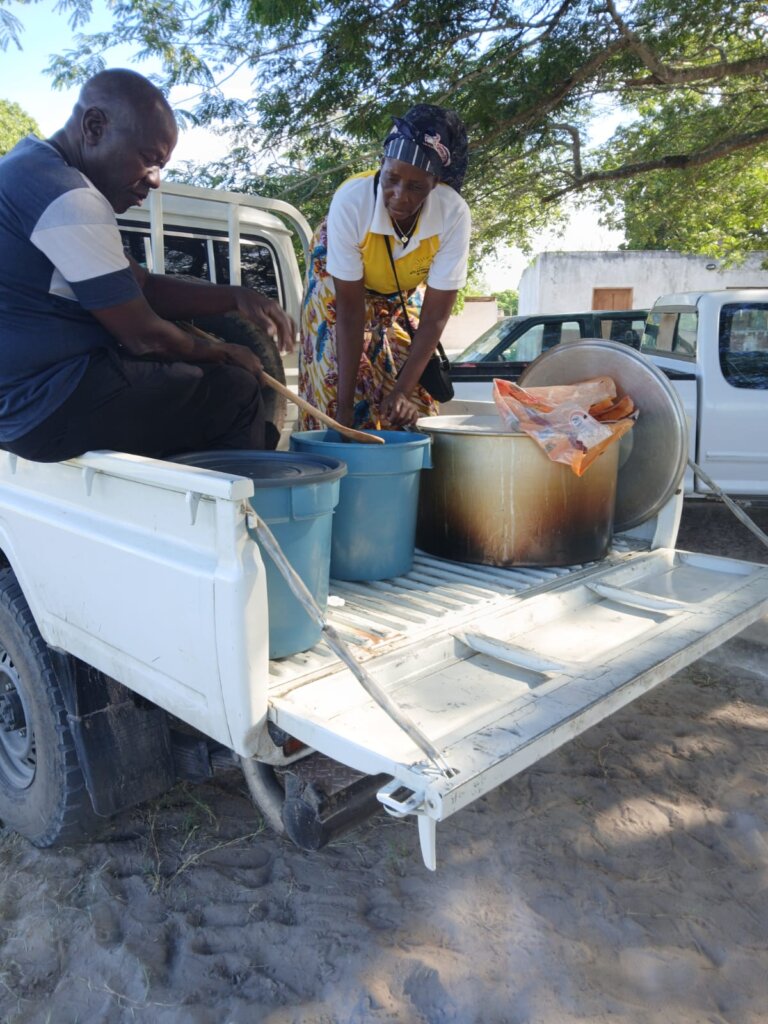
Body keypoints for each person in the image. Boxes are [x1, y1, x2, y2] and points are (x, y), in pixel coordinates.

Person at [0, 68, 295, 463]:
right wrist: (222, 351)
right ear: (94, 127)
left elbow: (143, 286)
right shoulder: (68, 196)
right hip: (42, 403)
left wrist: (235, 297)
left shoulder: (27, 167)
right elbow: (144, 337)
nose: (155, 180)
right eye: (148, 159)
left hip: (27, 402)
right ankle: (239, 503)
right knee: (237, 392)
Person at [298, 104, 470, 430]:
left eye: (416, 187)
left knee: (414, 405)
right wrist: (344, 408)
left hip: (397, 293)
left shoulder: (453, 214)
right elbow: (349, 313)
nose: (400, 196)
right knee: (335, 390)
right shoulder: (352, 202)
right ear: (382, 165)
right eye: (391, 179)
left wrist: (402, 391)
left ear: (435, 182)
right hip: (338, 288)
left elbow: (434, 318)